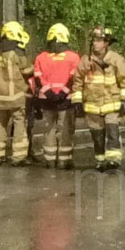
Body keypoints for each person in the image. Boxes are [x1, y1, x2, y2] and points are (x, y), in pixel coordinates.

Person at [71, 25, 125, 171]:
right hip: (92, 106)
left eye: (99, 41)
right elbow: (77, 82)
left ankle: (113, 160)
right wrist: (77, 102)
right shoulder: (85, 61)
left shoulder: (116, 59)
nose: (95, 43)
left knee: (112, 132)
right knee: (97, 136)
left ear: (106, 43)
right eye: (94, 40)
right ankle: (100, 160)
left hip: (111, 104)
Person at [33, 23, 81, 169]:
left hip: (46, 100)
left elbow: (37, 77)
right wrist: (63, 92)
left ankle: (50, 160)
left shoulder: (41, 57)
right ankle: (64, 160)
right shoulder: (73, 57)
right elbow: (74, 78)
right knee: (65, 129)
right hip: (65, 100)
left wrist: (48, 92)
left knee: (49, 129)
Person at [0, 21, 34, 165]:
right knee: (19, 123)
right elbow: (24, 71)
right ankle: (19, 157)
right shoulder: (16, 52)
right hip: (15, 96)